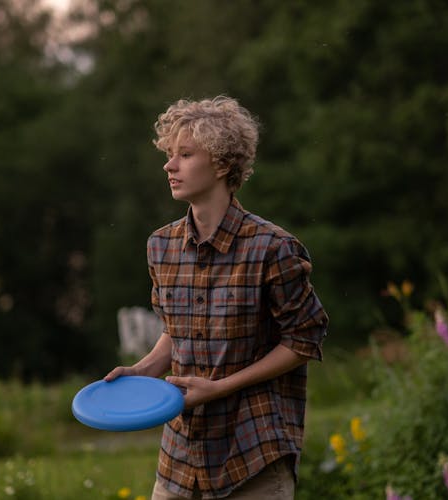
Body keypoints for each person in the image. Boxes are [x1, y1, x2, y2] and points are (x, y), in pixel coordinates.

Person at [105, 96, 328, 499]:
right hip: (180, 459)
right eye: (169, 155)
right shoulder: (161, 246)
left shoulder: (272, 248)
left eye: (185, 155)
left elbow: (304, 340)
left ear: (223, 164)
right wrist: (143, 369)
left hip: (253, 453)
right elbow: (177, 331)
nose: (169, 166)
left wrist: (221, 387)